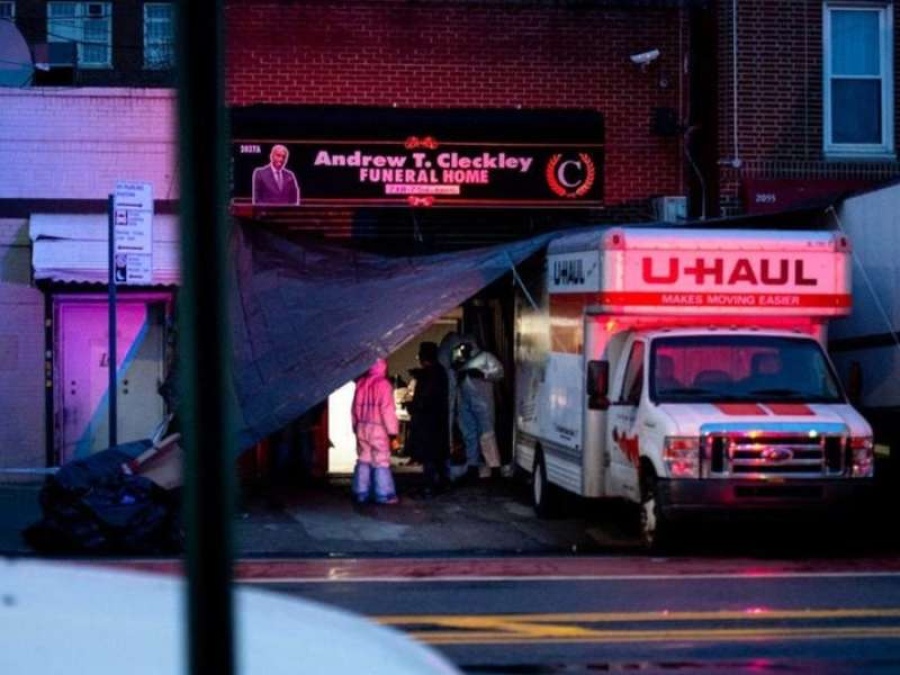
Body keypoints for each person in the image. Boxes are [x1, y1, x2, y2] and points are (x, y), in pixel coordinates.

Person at [453, 337, 505, 480]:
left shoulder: (485, 357)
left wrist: (483, 374)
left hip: (483, 402)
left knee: (487, 434)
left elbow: (499, 372)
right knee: (469, 434)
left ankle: (494, 466)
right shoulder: (461, 361)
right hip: (465, 402)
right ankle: (472, 465)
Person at [351, 358, 400, 504]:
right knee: (381, 460)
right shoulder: (384, 385)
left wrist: (355, 427)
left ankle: (361, 492)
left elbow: (354, 409)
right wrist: (393, 432)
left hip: (362, 428)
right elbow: (387, 411)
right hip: (379, 430)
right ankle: (384, 494)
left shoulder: (361, 383)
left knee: (364, 458)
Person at [404, 342, 450, 497]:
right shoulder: (440, 372)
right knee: (438, 455)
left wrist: (412, 406)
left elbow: (423, 399)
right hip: (438, 420)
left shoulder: (427, 376)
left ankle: (429, 487)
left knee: (429, 455)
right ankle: (442, 482)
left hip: (427, 421)